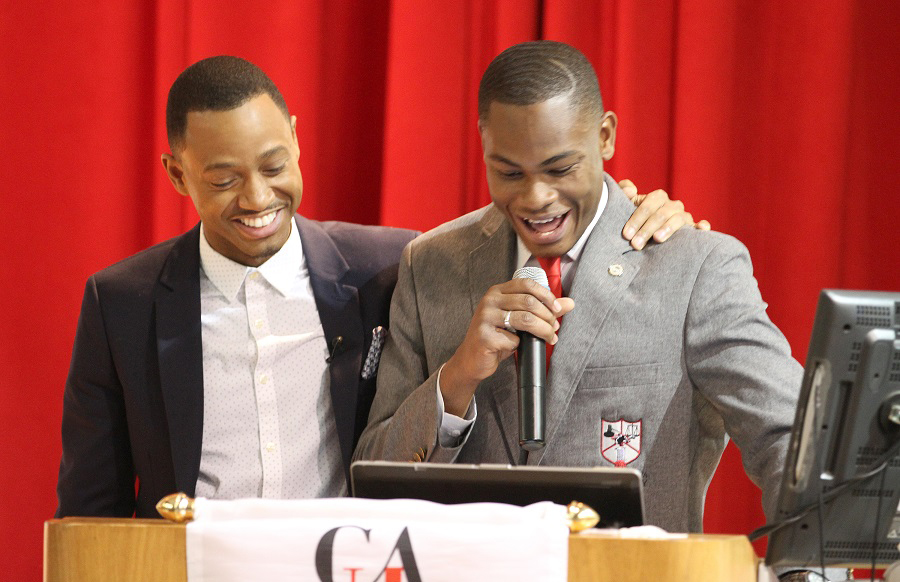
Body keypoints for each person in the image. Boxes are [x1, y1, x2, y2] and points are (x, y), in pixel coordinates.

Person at [56, 55, 702, 518]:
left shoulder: (389, 265)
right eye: (223, 180)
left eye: (274, 166)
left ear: (298, 143)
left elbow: (555, 226)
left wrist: (641, 213)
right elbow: (92, 501)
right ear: (176, 174)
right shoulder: (122, 301)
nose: (257, 197)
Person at [354, 41, 802, 534]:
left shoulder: (695, 267)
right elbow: (372, 479)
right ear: (482, 145)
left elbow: (787, 432)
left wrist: (814, 554)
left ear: (605, 136)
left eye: (560, 168)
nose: (536, 198)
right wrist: (458, 377)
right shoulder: (430, 265)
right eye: (508, 172)